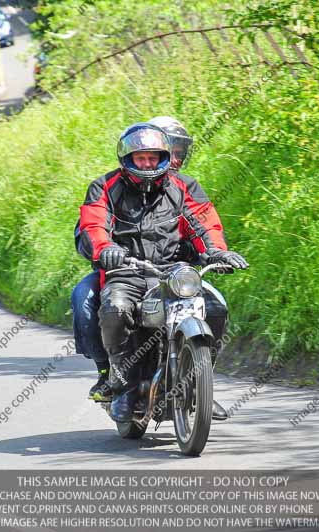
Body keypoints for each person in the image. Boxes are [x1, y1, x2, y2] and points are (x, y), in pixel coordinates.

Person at [78, 122, 248, 423]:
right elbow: (94, 225)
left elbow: (204, 222)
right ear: (128, 159)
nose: (147, 164)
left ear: (163, 157)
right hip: (127, 271)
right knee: (115, 310)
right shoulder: (104, 186)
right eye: (140, 158)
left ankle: (200, 384)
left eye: (152, 157)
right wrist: (106, 249)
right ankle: (125, 386)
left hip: (175, 271)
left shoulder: (184, 185)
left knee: (215, 308)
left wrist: (218, 252)